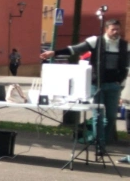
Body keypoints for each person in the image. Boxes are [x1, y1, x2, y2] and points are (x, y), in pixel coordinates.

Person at [41, 19, 129, 147]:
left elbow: (126, 66)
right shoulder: (96, 41)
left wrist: (119, 82)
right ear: (106, 29)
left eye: (117, 29)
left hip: (114, 85)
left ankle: (104, 140)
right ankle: (99, 144)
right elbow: (75, 49)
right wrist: (54, 53)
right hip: (96, 84)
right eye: (113, 29)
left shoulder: (125, 45)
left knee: (111, 117)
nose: (116, 32)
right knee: (98, 116)